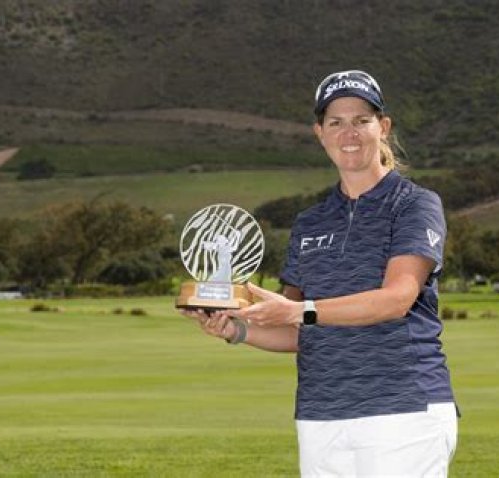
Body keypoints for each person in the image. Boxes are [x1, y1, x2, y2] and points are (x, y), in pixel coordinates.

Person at [183, 69, 458, 477]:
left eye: (361, 120)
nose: (349, 133)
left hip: (403, 408)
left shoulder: (413, 204)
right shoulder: (310, 222)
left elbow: (397, 298)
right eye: (336, 122)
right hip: (320, 414)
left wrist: (299, 310)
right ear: (320, 133)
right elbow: (298, 329)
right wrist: (237, 329)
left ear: (383, 127)